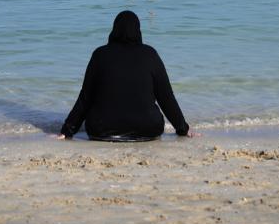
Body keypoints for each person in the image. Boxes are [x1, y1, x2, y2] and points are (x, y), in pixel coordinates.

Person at [59, 10, 191, 141]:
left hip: (101, 130)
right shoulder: (150, 55)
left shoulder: (100, 55)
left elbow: (85, 97)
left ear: (114, 30)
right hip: (148, 129)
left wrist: (67, 131)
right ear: (138, 31)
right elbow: (166, 97)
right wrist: (183, 129)